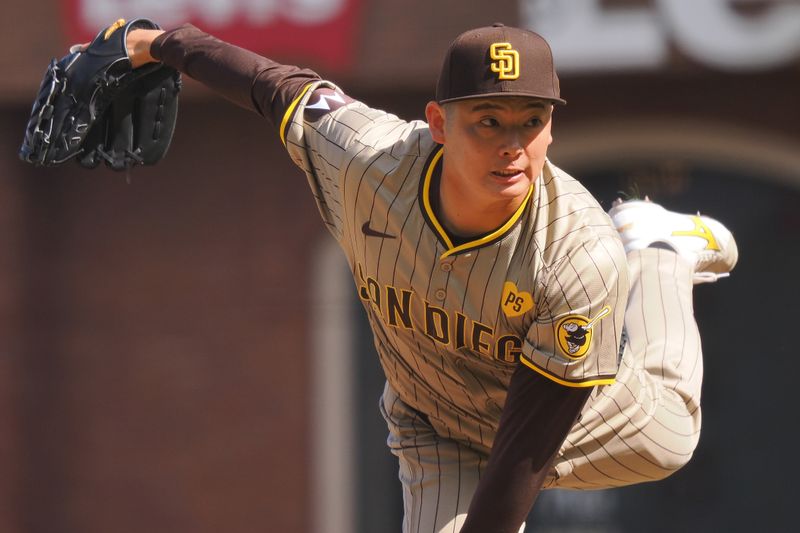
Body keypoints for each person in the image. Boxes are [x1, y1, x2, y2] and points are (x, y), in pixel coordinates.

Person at [122, 22, 737, 532]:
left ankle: (659, 250)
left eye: (531, 121)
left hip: (571, 423)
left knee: (675, 436)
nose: (512, 145)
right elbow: (273, 86)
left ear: (551, 126)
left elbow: (524, 451)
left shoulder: (576, 254)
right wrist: (156, 42)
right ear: (439, 124)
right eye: (488, 121)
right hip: (431, 420)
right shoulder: (367, 159)